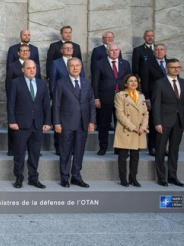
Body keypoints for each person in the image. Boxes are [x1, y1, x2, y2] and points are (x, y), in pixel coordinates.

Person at [53, 58, 96, 188]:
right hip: (66, 123)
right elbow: (56, 105)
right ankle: (65, 177)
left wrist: (92, 121)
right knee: (65, 151)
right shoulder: (61, 83)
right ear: (67, 68)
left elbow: (91, 103)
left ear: (81, 67)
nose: (75, 68)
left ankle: (76, 176)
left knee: (79, 151)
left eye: (77, 65)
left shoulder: (86, 83)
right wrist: (57, 123)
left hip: (83, 123)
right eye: (72, 66)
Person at [8, 60, 51, 189]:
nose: (32, 70)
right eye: (29, 68)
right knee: (19, 153)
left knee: (35, 153)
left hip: (37, 125)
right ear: (23, 70)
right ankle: (19, 178)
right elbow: (11, 104)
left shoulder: (42, 84)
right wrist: (12, 121)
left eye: (34, 68)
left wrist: (47, 122)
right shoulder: (15, 83)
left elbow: (46, 105)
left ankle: (33, 178)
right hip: (21, 124)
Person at [153, 58, 184, 187]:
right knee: (160, 150)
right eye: (173, 67)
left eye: (178, 67)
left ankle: (173, 176)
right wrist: (157, 122)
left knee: (174, 150)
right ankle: (161, 177)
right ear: (167, 69)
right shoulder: (159, 83)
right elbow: (156, 104)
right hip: (164, 121)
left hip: (179, 121)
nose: (176, 69)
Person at [91, 42, 131, 155]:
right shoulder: (99, 64)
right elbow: (95, 82)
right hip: (105, 98)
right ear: (107, 52)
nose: (114, 52)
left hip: (122, 98)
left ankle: (120, 148)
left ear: (119, 51)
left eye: (116, 50)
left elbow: (130, 81)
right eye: (112, 50)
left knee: (121, 123)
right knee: (104, 124)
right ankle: (103, 147)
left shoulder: (125, 63)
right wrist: (96, 98)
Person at [48, 41, 85, 155]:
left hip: (76, 100)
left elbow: (82, 79)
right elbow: (53, 82)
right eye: (66, 48)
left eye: (71, 48)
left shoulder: (78, 63)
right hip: (61, 99)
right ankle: (59, 148)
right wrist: (55, 97)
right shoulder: (56, 63)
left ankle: (73, 148)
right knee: (59, 123)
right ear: (61, 50)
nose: (69, 50)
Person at [5, 44, 41, 156]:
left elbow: (38, 82)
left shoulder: (35, 66)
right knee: (14, 126)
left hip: (32, 100)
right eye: (22, 50)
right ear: (18, 53)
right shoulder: (12, 66)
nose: (25, 52)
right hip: (16, 100)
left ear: (30, 53)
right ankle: (12, 148)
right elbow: (8, 83)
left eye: (27, 51)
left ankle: (33, 150)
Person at [113, 74, 148, 187]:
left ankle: (133, 178)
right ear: (126, 83)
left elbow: (145, 113)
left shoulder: (141, 96)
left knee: (135, 155)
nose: (133, 83)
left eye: (135, 81)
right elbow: (120, 114)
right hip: (126, 129)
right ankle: (123, 178)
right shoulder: (120, 95)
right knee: (123, 155)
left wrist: (143, 127)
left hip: (139, 130)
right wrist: (133, 127)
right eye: (131, 81)